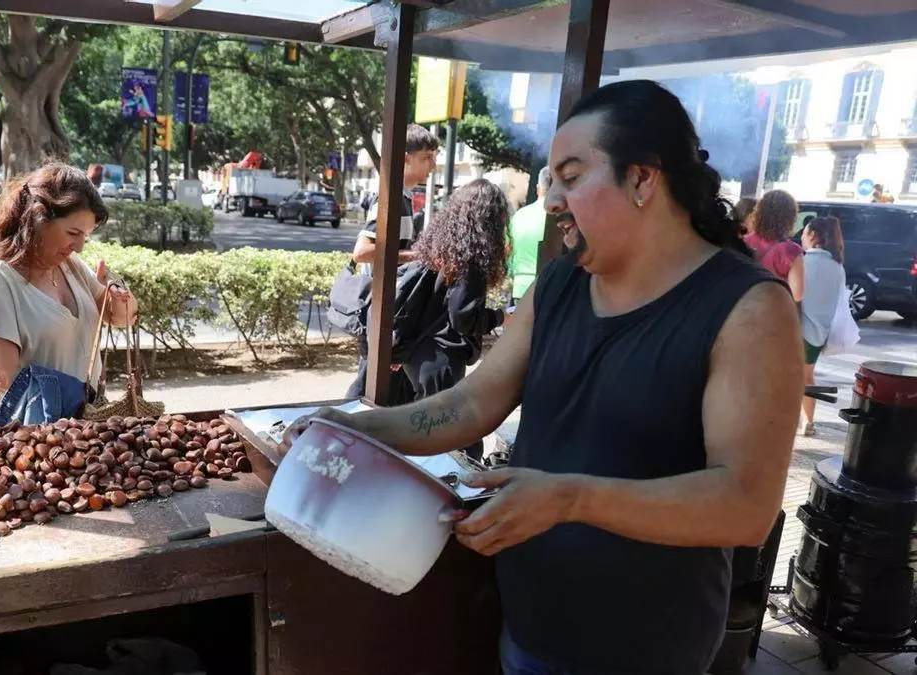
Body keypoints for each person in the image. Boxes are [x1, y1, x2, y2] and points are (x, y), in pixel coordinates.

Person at [290, 80, 802, 674]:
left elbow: (745, 507)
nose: (552, 199)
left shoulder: (748, 309)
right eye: (552, 179)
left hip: (644, 646)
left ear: (642, 179)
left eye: (573, 175)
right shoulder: (560, 285)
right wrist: (357, 429)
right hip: (530, 622)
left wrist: (569, 498)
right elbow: (473, 402)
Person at [0, 162, 139, 427]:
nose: (79, 247)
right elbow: (3, 378)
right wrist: (70, 419)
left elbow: (121, 318)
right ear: (37, 219)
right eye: (73, 233)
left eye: (86, 236)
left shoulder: (69, 266)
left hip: (76, 439)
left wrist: (118, 296)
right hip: (22, 447)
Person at [397, 178, 508, 460]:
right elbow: (463, 318)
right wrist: (500, 318)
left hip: (420, 356)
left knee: (427, 435)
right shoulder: (472, 259)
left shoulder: (443, 248)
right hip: (441, 358)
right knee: (455, 442)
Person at [346, 124, 439, 403]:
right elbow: (362, 252)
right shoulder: (393, 198)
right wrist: (419, 256)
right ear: (405, 158)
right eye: (427, 157)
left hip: (389, 311)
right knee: (366, 391)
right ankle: (332, 432)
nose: (433, 165)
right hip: (380, 311)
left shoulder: (404, 197)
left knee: (381, 391)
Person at [799, 216, 847, 437]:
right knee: (808, 377)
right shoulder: (838, 268)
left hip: (799, 329)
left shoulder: (804, 261)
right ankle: (809, 422)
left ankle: (789, 423)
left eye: (805, 231)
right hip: (819, 334)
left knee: (791, 379)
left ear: (813, 235)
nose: (802, 235)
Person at [745, 190, 805, 303]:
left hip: (743, 310)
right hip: (771, 311)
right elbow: (797, 294)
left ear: (759, 212)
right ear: (790, 218)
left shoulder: (743, 242)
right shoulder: (791, 251)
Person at [507, 166, 549, 304]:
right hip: (552, 287)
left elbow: (507, 250)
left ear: (538, 188)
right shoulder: (560, 219)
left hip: (520, 289)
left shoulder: (519, 216)